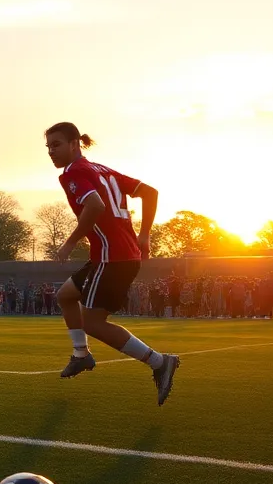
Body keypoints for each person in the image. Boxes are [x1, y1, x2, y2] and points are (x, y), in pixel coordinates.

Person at [44, 122, 180, 405]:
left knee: (92, 323)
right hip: (116, 255)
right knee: (66, 296)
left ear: (74, 144)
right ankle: (81, 355)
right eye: (48, 146)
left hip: (112, 258)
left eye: (56, 145)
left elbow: (95, 206)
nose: (50, 152)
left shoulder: (74, 172)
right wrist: (144, 236)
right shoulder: (102, 170)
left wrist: (69, 243)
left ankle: (159, 362)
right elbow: (150, 192)